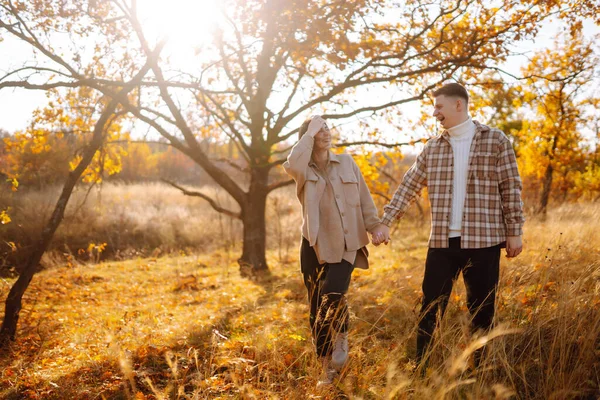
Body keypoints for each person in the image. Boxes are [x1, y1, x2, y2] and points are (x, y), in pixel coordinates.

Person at [373, 82, 525, 369]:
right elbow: (408, 186)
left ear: (459, 104)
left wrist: (514, 231)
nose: (435, 113)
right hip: (442, 243)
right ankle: (422, 367)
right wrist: (385, 222)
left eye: (439, 106)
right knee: (430, 308)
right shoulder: (433, 148)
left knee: (481, 310)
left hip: (484, 242)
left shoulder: (496, 140)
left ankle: (480, 370)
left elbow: (510, 187)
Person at [283, 115, 388, 387]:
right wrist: (310, 132)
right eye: (318, 130)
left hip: (346, 243)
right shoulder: (302, 169)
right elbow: (292, 162)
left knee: (333, 294)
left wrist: (375, 226)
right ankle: (326, 366)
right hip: (314, 244)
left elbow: (364, 198)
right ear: (307, 136)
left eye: (327, 128)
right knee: (316, 306)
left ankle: (341, 336)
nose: (325, 133)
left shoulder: (348, 163)